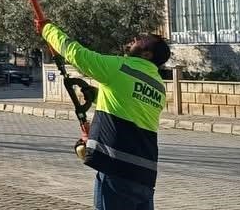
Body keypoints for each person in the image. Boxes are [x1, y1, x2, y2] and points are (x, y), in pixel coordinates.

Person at [38, 18, 170, 210]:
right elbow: (131, 105)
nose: (135, 38)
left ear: (147, 54)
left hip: (117, 169)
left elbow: (77, 54)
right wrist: (98, 95)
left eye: (142, 39)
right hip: (145, 175)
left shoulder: (121, 67)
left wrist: (47, 29)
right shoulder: (158, 86)